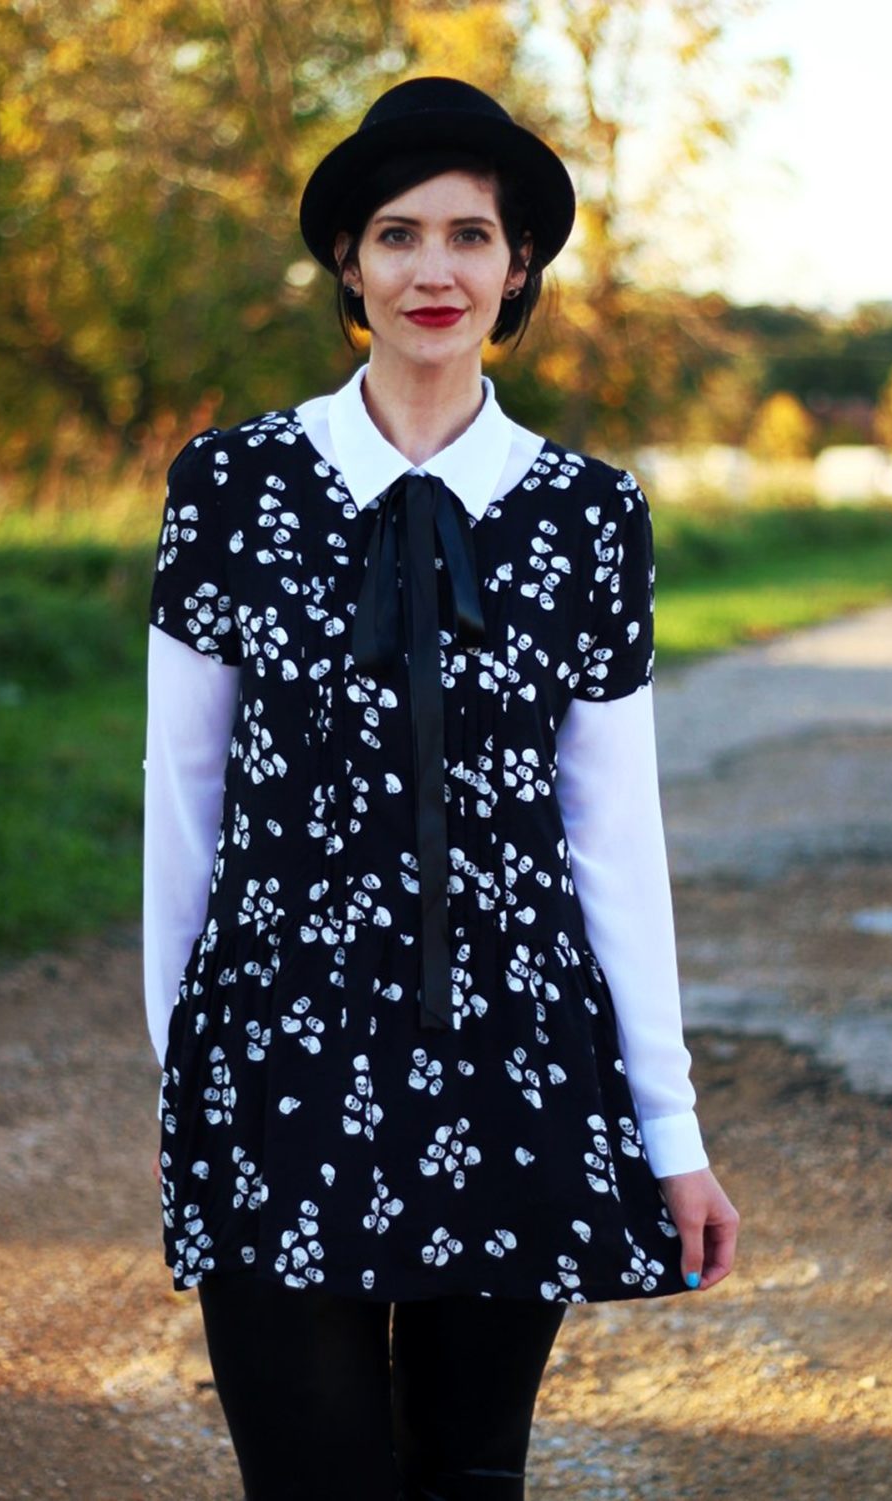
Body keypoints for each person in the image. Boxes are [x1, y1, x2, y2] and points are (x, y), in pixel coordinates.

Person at [142, 75, 738, 1501]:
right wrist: (188, 1078)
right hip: (278, 1058)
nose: (434, 271)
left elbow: (612, 833)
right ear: (348, 264)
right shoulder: (229, 487)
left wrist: (672, 1133)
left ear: (516, 266)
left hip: (517, 1061)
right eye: (397, 235)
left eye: (470, 236)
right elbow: (183, 800)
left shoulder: (591, 516)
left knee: (468, 1477)